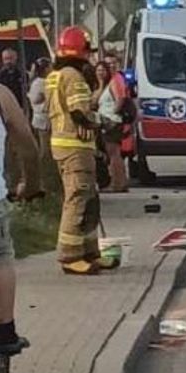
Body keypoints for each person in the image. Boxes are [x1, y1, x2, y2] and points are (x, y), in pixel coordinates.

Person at [46, 27, 116, 276]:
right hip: (74, 146)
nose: (89, 57)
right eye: (87, 51)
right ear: (81, 51)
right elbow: (79, 113)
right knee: (78, 198)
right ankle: (70, 256)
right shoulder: (73, 76)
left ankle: (89, 252)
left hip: (66, 145)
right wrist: (102, 122)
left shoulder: (55, 75)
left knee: (89, 200)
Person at [0, 81, 43, 355]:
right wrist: (31, 183)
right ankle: (4, 331)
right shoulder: (1, 94)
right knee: (1, 257)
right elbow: (27, 143)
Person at [94, 60, 128, 193]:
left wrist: (113, 113)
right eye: (98, 70)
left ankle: (117, 184)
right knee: (113, 154)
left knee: (114, 154)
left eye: (103, 70)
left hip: (111, 123)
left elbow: (120, 99)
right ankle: (121, 182)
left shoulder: (114, 81)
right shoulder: (103, 85)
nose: (100, 73)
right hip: (106, 122)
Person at [27, 57, 51, 151]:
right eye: (50, 67)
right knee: (45, 149)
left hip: (38, 120)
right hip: (42, 121)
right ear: (45, 69)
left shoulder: (35, 82)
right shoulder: (42, 83)